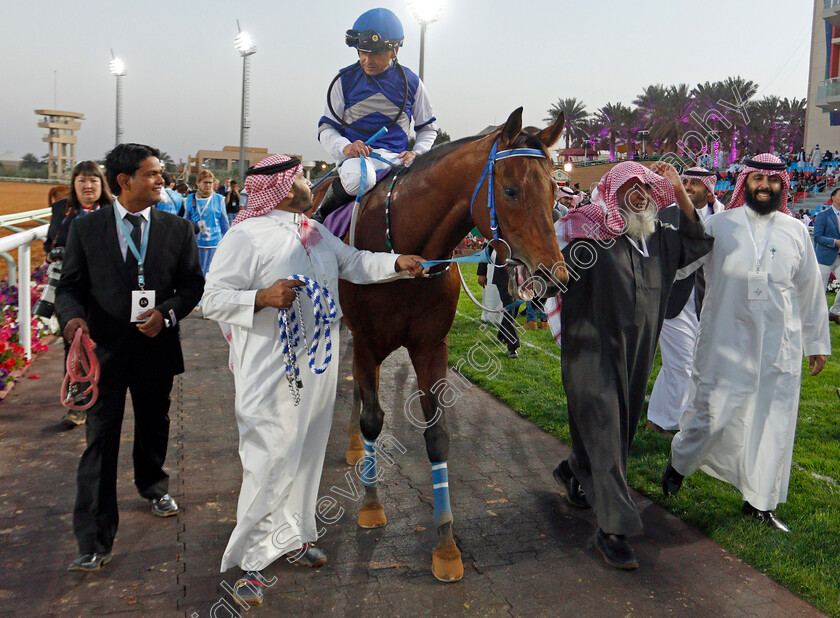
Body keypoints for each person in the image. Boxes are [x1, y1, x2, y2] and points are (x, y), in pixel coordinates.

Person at [201, 154, 426, 606]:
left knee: (305, 458)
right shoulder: (245, 236)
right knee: (268, 461)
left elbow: (356, 263)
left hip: (316, 369)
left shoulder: (313, 230)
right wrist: (260, 297)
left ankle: (295, 536)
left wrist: (398, 263)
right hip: (268, 371)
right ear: (284, 189)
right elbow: (212, 299)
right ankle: (253, 566)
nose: (310, 182)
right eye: (302, 176)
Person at [550, 161, 713, 570]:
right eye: (630, 188)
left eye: (645, 188)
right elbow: (549, 272)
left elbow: (697, 241)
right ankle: (615, 530)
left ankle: (574, 470)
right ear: (612, 192)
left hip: (636, 353)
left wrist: (675, 186)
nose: (639, 195)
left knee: (618, 432)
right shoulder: (587, 233)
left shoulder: (659, 238)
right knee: (607, 430)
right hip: (591, 351)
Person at [56, 143, 204, 572]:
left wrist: (168, 313)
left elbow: (192, 285)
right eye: (154, 173)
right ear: (124, 181)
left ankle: (153, 486)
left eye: (161, 173)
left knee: (155, 424)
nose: (162, 180)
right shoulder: (87, 229)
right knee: (99, 441)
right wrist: (72, 322)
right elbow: (69, 288)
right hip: (101, 354)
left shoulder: (178, 230)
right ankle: (93, 539)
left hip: (156, 348)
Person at [663, 154, 830, 533]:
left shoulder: (795, 230)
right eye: (757, 179)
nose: (764, 186)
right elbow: (680, 266)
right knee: (710, 415)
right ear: (745, 183)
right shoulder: (718, 225)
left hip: (778, 346)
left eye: (771, 181)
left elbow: (809, 290)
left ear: (782, 186)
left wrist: (816, 342)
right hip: (724, 340)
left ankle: (760, 503)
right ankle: (679, 462)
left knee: (772, 421)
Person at [312, 7, 438, 223]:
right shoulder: (343, 80)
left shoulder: (412, 82)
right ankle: (320, 216)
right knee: (360, 179)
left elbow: (428, 128)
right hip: (357, 161)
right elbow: (326, 129)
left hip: (398, 162)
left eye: (376, 53)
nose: (367, 60)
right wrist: (345, 147)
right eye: (362, 51)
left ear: (394, 51)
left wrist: (417, 154)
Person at [647, 167, 724, 434]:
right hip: (671, 300)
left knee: (682, 363)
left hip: (705, 302)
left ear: (709, 188)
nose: (688, 187)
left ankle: (657, 416)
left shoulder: (722, 217)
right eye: (685, 181)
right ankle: (670, 423)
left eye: (694, 183)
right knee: (681, 365)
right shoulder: (666, 213)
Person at [43, 162, 115, 427]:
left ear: (101, 184)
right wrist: (55, 251)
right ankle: (78, 403)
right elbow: (49, 241)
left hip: (106, 292)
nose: (87, 186)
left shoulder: (113, 211)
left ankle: (103, 397)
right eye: (82, 181)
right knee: (73, 345)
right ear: (74, 184)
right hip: (72, 291)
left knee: (105, 345)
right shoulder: (62, 210)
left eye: (93, 181)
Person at [184, 169, 230, 276]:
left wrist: (227, 241)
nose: (208, 185)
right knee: (196, 273)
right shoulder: (191, 198)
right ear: (198, 183)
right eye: (205, 182)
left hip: (214, 243)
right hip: (196, 243)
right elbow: (186, 221)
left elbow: (224, 223)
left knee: (212, 273)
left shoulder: (219, 199)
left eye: (210, 182)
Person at [813, 187, 840, 324]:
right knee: (820, 289)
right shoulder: (823, 215)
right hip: (824, 257)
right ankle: (818, 316)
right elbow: (817, 237)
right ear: (833, 198)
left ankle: (834, 312)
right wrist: (835, 242)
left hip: (839, 257)